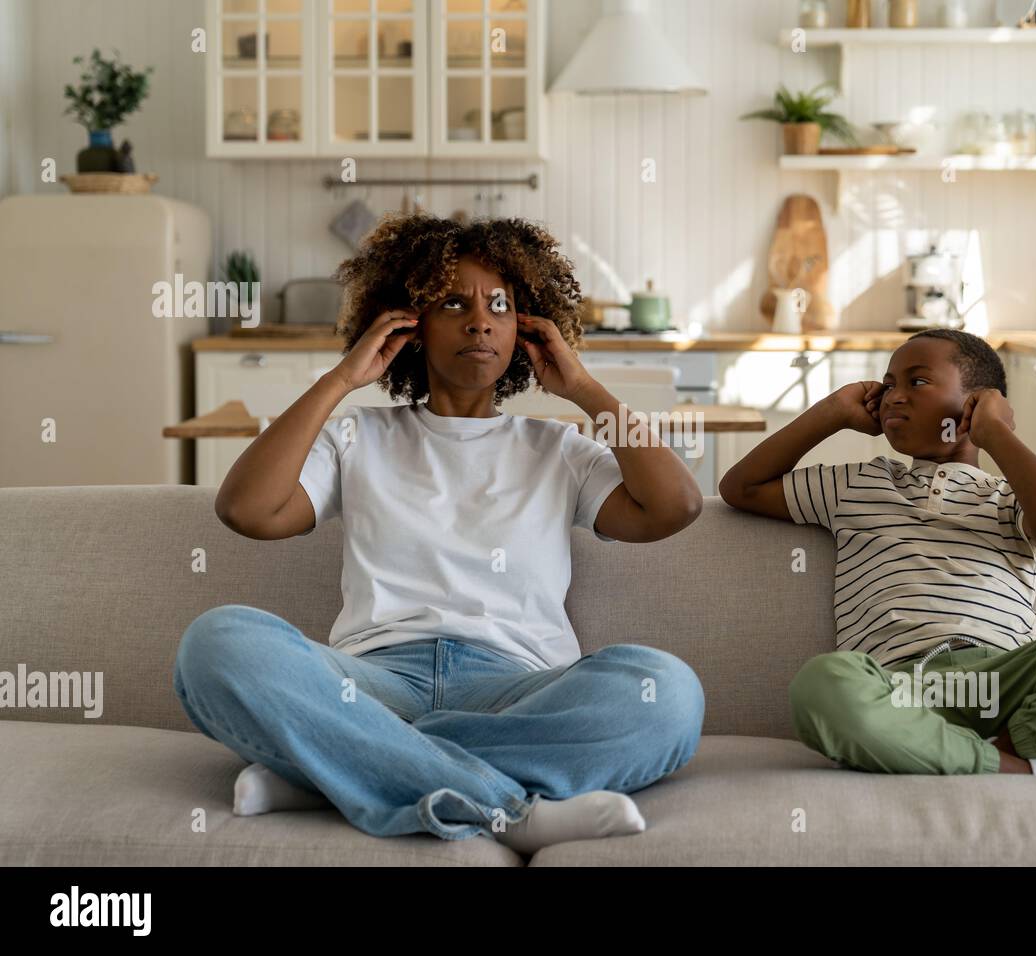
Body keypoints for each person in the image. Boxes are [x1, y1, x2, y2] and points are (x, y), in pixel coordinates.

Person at [173, 215, 705, 853]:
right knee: (218, 643)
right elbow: (246, 510)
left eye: (499, 306)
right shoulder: (358, 437)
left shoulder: (557, 447)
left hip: (518, 689)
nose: (479, 320)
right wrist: (341, 379)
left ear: (524, 332)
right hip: (370, 685)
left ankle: (337, 770)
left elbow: (675, 506)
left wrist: (585, 388)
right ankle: (509, 808)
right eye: (454, 302)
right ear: (411, 327)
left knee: (667, 694)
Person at [719, 329, 1036, 778]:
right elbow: (740, 487)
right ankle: (1027, 768)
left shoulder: (1012, 498)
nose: (894, 395)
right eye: (887, 385)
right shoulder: (859, 483)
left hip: (1007, 680)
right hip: (900, 690)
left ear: (975, 405)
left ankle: (1002, 749)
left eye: (918, 381)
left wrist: (996, 434)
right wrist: (831, 411)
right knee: (822, 684)